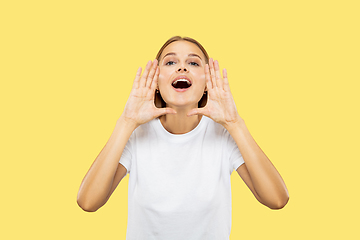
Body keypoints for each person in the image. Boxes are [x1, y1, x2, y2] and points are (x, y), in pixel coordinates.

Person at [77, 36, 289, 239]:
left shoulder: (223, 135)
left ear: (207, 83)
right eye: (170, 61)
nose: (182, 67)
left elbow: (277, 199)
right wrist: (126, 121)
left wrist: (235, 123)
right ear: (156, 81)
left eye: (194, 63)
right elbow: (88, 202)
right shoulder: (137, 135)